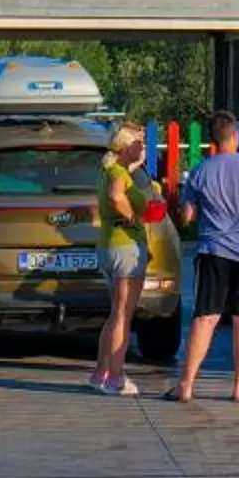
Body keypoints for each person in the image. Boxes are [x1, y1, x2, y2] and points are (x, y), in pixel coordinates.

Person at [168, 111, 239, 404]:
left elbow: (188, 216)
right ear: (236, 136)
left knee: (205, 317)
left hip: (214, 250)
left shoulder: (200, 171)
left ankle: (186, 384)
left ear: (212, 140)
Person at [90, 122, 157, 395]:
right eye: (138, 142)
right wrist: (131, 216)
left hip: (109, 244)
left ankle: (100, 372)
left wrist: (133, 165)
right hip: (125, 245)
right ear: (125, 146)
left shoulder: (110, 170)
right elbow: (117, 196)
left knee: (114, 314)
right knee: (123, 315)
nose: (143, 147)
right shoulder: (118, 174)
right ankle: (115, 377)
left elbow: (118, 183)